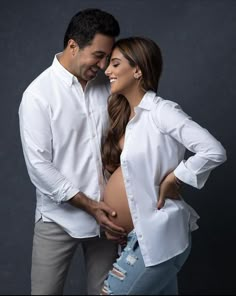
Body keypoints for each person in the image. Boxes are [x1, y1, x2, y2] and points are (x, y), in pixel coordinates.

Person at [100, 36, 227, 295]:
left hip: (157, 236)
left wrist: (176, 178)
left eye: (115, 64)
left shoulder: (162, 111)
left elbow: (213, 150)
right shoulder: (127, 116)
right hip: (136, 237)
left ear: (137, 70)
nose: (107, 71)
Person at [18, 8, 127, 295]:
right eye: (98, 55)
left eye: (108, 57)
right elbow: (39, 167)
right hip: (58, 219)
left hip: (108, 220)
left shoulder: (108, 86)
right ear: (73, 46)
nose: (105, 66)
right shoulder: (38, 95)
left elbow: (123, 142)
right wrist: (90, 206)